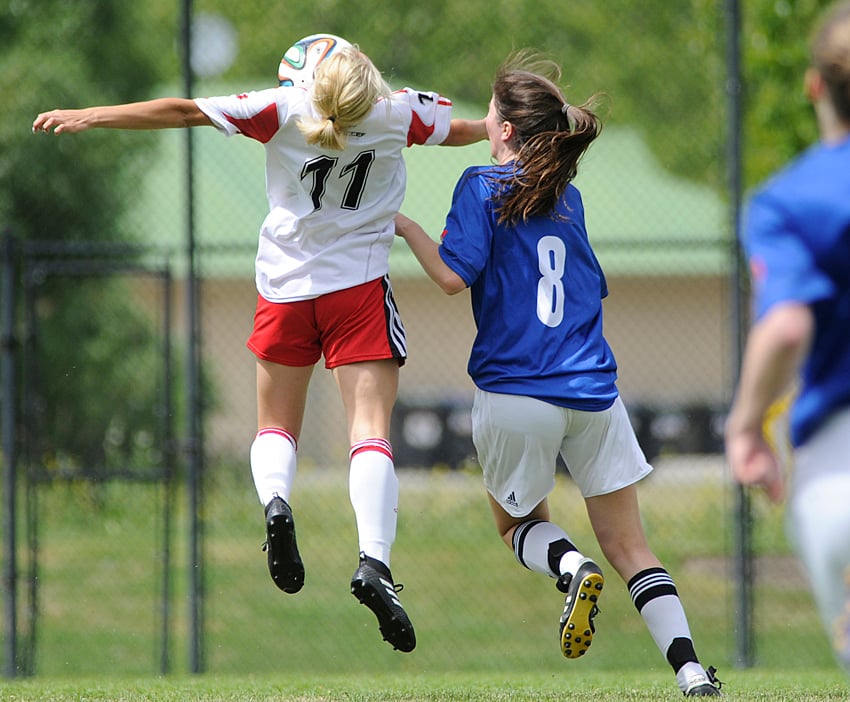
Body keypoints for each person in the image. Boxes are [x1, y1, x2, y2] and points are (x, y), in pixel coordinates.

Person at [33, 34, 486, 654]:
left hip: (285, 289)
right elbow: (456, 130)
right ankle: (374, 562)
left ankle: (275, 502)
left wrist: (94, 115)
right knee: (371, 431)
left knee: (276, 428)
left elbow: (184, 110)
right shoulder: (395, 112)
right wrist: (499, 127)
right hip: (357, 288)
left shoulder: (280, 109)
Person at [393, 51, 722, 695]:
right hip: (595, 392)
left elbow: (452, 278)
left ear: (507, 129)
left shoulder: (480, 185)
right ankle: (690, 673)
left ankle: (571, 569)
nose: (483, 121)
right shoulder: (567, 198)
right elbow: (589, 288)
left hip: (516, 392)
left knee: (519, 527)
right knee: (632, 547)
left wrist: (405, 228)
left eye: (489, 112)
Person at [725, 0, 850, 677]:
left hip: (839, 473)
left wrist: (746, 427)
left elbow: (787, 324)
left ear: (814, 87)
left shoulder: (787, 200)